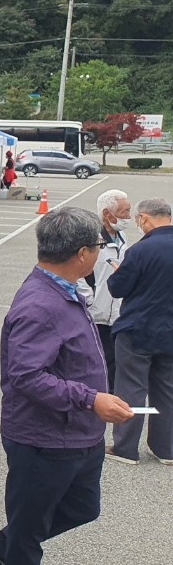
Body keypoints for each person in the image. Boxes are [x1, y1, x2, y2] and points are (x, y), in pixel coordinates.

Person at [0, 207, 134, 565]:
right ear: (83, 252)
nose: (101, 251)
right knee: (30, 529)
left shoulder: (66, 288)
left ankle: (5, 546)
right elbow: (26, 376)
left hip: (79, 432)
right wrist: (91, 398)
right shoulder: (40, 303)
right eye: (99, 245)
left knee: (84, 507)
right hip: (43, 438)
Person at [106, 197, 173, 465]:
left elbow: (118, 288)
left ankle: (125, 448)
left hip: (138, 328)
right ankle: (166, 448)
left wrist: (117, 272)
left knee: (131, 387)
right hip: (169, 330)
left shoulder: (141, 250)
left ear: (144, 218)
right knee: (166, 389)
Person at [77, 189, 130, 391]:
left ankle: (110, 399)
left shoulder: (122, 236)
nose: (128, 217)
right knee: (93, 364)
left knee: (114, 364)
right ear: (107, 214)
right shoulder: (92, 239)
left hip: (115, 314)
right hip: (94, 314)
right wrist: (88, 299)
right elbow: (79, 272)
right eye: (125, 212)